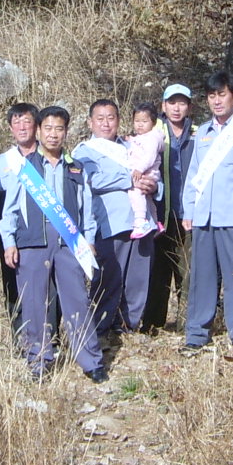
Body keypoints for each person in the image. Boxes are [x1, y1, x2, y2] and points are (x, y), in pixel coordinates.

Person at [0, 106, 107, 383]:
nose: (53, 134)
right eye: (48, 128)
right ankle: (38, 361)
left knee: (77, 301)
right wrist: (9, 242)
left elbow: (87, 210)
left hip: (68, 241)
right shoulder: (25, 167)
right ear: (38, 131)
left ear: (66, 132)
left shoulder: (76, 168)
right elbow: (10, 210)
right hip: (32, 242)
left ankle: (91, 361)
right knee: (34, 304)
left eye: (59, 128)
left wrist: (89, 241)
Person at [180, 72, 233, 357]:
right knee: (201, 278)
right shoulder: (203, 132)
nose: (216, 101)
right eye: (211, 96)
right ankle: (196, 334)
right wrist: (189, 209)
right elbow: (194, 174)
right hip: (204, 217)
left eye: (222, 94)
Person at [72, 99, 157, 343]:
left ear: (119, 120)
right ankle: (100, 327)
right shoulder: (84, 151)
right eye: (100, 118)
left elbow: (152, 171)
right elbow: (93, 179)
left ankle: (128, 326)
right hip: (110, 223)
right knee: (108, 277)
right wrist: (129, 179)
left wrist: (153, 185)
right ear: (90, 122)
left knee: (138, 278)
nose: (106, 123)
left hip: (142, 222)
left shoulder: (132, 145)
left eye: (111, 117)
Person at [142, 84, 196, 332]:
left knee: (188, 271)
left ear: (189, 107)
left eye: (182, 103)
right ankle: (152, 323)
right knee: (157, 271)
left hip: (188, 216)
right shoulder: (153, 133)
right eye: (172, 102)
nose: (176, 108)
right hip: (159, 214)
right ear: (163, 106)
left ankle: (186, 323)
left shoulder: (199, 135)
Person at [0, 103, 40, 332]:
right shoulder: (2, 163)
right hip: (12, 238)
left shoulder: (48, 157)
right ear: (10, 128)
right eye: (16, 122)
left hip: (43, 236)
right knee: (13, 287)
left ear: (36, 125)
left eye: (27, 121)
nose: (22, 127)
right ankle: (19, 337)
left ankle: (50, 337)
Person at [126, 102, 163, 239]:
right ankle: (156, 222)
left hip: (146, 172)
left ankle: (140, 221)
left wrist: (139, 169)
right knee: (147, 198)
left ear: (153, 122)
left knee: (135, 192)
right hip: (143, 171)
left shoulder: (152, 138)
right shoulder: (142, 137)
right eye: (137, 121)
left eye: (144, 121)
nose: (140, 125)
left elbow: (149, 156)